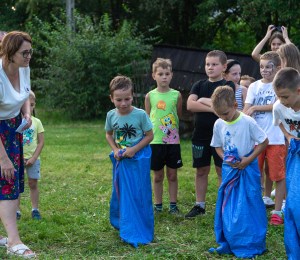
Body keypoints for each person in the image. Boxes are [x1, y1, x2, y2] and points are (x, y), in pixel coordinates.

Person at [209, 86, 268, 258]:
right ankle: (230, 240)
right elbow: (217, 146)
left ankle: (252, 241)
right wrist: (226, 158)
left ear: (235, 105)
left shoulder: (247, 121)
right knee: (229, 205)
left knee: (250, 202)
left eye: (225, 113)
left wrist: (248, 160)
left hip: (248, 167)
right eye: (218, 114)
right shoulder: (219, 123)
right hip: (230, 169)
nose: (222, 117)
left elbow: (264, 141)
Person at [105, 76, 154, 247]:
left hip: (138, 159)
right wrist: (115, 150)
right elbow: (109, 134)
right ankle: (123, 223)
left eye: (127, 99)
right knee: (122, 192)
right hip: (122, 160)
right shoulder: (111, 115)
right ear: (112, 98)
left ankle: (139, 223)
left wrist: (133, 150)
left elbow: (150, 136)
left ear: (133, 96)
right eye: (119, 100)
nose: (123, 103)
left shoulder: (140, 115)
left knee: (138, 192)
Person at [186, 50, 235, 218]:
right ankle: (199, 206)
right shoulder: (199, 85)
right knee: (201, 170)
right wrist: (213, 108)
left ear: (224, 67)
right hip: (200, 135)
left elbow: (224, 106)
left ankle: (223, 205)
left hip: (223, 137)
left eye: (214, 64)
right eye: (208, 64)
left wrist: (203, 100)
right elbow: (190, 105)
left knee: (222, 170)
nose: (210, 67)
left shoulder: (228, 86)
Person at [0, 31, 35, 257]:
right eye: (25, 52)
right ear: (10, 53)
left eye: (31, 51)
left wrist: (27, 112)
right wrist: (3, 157)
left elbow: (24, 95)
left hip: (13, 129)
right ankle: (13, 241)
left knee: (9, 182)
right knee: (7, 180)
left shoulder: (24, 68)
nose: (29, 56)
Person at [244, 51, 286, 225]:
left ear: (278, 68)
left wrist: (255, 108)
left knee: (278, 175)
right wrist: (249, 110)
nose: (264, 70)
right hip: (257, 140)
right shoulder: (254, 86)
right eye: (261, 66)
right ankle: (254, 209)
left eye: (268, 66)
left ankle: (277, 212)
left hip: (276, 138)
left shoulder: (281, 85)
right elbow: (247, 108)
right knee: (254, 174)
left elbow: (277, 105)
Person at [145, 58, 182, 215]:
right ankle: (158, 206)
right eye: (160, 74)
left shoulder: (177, 95)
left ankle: (173, 206)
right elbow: (147, 118)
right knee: (158, 175)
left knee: (172, 175)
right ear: (154, 76)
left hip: (172, 142)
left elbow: (177, 115)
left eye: (167, 74)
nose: (164, 77)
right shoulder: (150, 96)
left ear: (171, 75)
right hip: (155, 142)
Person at [273, 67, 300, 259]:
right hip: (295, 154)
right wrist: (288, 135)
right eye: (278, 96)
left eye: (285, 97)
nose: (282, 101)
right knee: (294, 200)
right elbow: (279, 121)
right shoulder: (278, 106)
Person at [17, 90, 44, 220]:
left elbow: (41, 142)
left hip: (33, 160)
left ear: (34, 105)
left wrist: (33, 158)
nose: (30, 106)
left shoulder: (37, 122)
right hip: (18, 160)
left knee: (33, 183)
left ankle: (35, 209)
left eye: (32, 104)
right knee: (17, 185)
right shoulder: (15, 122)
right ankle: (16, 211)